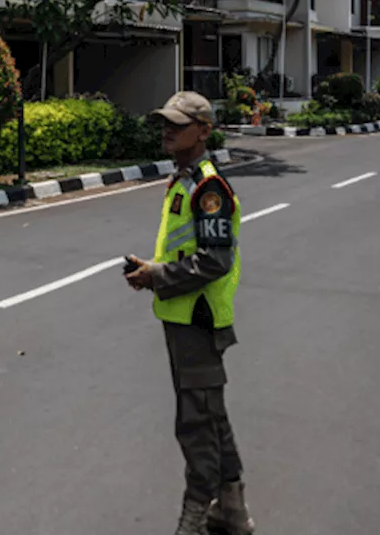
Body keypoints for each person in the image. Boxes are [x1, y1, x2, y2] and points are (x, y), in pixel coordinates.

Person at [123, 91, 255, 535]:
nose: (167, 130)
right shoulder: (184, 179)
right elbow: (186, 249)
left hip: (198, 321)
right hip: (182, 319)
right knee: (210, 416)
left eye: (178, 124)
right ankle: (232, 510)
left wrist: (156, 276)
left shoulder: (207, 187)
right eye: (165, 122)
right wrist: (153, 271)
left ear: (204, 130)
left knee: (195, 422)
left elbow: (214, 262)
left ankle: (197, 513)